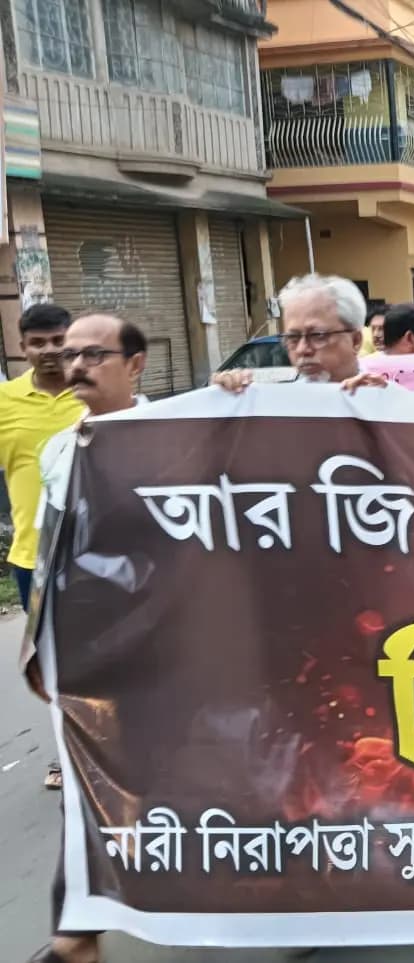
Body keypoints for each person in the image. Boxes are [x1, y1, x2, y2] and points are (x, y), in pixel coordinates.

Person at [24, 313, 148, 963]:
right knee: (90, 778)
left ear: (136, 365)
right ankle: (76, 933)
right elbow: (53, 557)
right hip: (94, 649)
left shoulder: (182, 436)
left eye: (93, 353)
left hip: (179, 641)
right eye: (69, 354)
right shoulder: (59, 449)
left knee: (218, 774)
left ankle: (283, 907)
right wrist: (38, 643)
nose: (74, 365)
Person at [0, 304, 82, 614]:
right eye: (37, 343)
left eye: (59, 341)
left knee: (104, 655)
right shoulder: (4, 400)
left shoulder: (98, 391)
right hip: (34, 557)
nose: (49, 350)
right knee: (44, 656)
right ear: (23, 349)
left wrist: (222, 391)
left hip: (97, 551)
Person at [213, 274, 388, 393]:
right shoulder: (277, 407)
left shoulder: (391, 399)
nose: (303, 349)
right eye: (293, 338)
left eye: (318, 335)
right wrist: (226, 399)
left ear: (355, 340)